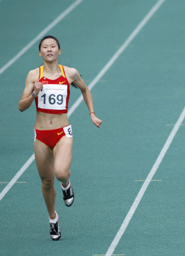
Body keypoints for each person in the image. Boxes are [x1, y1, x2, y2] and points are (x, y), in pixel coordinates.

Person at [18, 35, 102, 240]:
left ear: (59, 51)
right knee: (46, 182)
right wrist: (34, 94)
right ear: (40, 53)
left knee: (61, 172)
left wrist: (92, 113)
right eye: (45, 47)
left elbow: (85, 90)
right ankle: (53, 218)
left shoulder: (70, 73)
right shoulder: (33, 76)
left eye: (53, 46)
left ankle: (66, 185)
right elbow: (21, 106)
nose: (49, 50)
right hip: (41, 135)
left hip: (62, 132)